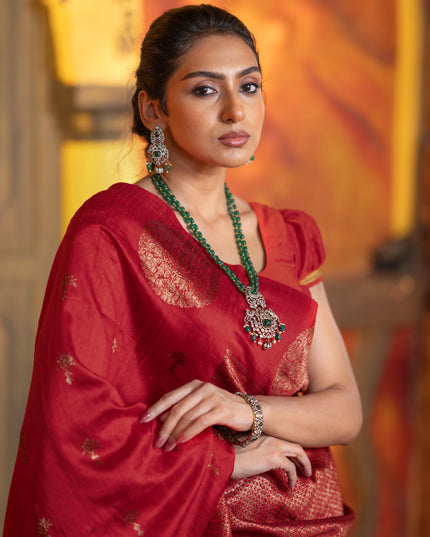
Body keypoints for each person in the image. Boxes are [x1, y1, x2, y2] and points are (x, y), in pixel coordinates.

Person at [3, 4, 362, 536]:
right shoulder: (111, 233)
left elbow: (345, 409)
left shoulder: (287, 235)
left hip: (302, 515)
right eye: (205, 90)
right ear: (153, 110)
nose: (237, 112)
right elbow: (75, 424)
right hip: (188, 519)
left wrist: (244, 410)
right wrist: (225, 461)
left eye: (250, 86)